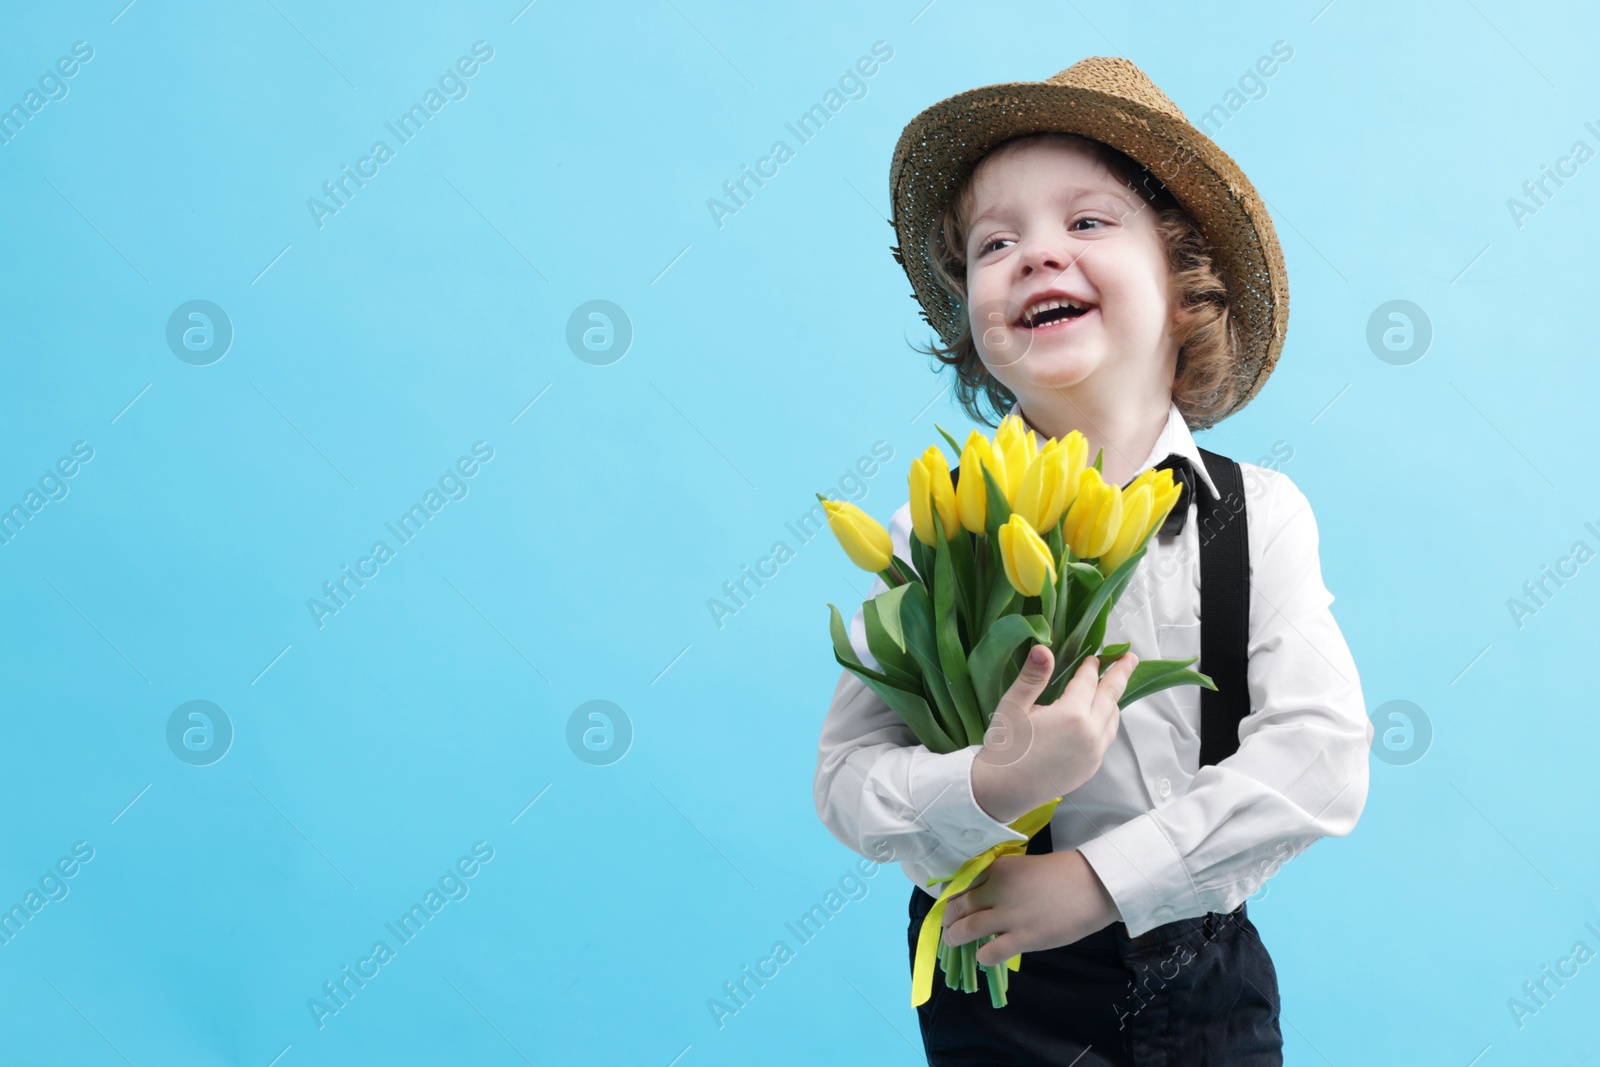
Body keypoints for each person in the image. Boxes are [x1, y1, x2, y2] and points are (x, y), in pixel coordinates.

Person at [813, 56, 1373, 1065]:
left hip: (1197, 985)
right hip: (991, 989)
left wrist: (1096, 880)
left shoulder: (1255, 516)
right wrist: (988, 783)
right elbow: (848, 777)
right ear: (971, 320)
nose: (1034, 255)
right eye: (995, 242)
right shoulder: (931, 531)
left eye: (1085, 222)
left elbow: (1319, 756)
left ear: (1183, 280)